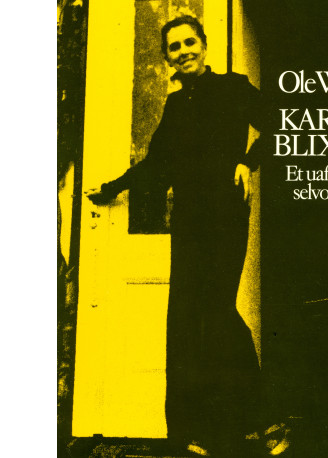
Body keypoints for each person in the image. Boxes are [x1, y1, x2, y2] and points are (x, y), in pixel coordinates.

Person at [88, 15, 270, 456]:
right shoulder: (174, 106)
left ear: (204, 46)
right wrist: (112, 188)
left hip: (226, 215)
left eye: (190, 42)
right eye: (175, 46)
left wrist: (248, 162)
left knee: (217, 312)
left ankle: (260, 421)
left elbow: (280, 121)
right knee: (185, 321)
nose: (184, 51)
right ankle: (188, 435)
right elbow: (157, 165)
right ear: (167, 57)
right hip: (188, 220)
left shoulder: (232, 87)